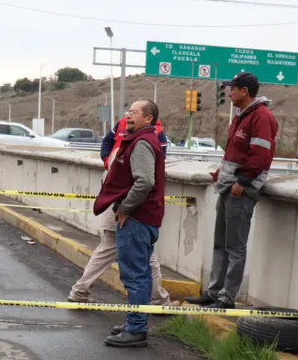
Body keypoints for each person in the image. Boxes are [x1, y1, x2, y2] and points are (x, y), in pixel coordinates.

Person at [189, 72, 278, 310]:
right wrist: (221, 175)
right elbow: (235, 155)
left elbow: (260, 155)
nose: (229, 93)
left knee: (235, 247)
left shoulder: (261, 117)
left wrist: (243, 182)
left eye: (233, 89)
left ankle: (227, 297)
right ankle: (214, 291)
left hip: (241, 191)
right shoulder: (241, 117)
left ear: (244, 92)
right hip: (227, 187)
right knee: (220, 243)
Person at [68, 115, 171, 306]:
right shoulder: (146, 137)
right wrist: (124, 209)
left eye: (134, 112)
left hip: (118, 203)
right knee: (143, 258)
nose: (129, 116)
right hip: (129, 209)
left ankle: (81, 290)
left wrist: (108, 162)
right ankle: (157, 302)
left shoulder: (130, 139)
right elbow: (149, 175)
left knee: (114, 251)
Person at [94, 99, 166, 348]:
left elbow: (144, 182)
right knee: (142, 274)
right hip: (143, 218)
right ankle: (137, 322)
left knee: (134, 275)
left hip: (136, 219)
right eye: (128, 112)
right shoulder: (142, 139)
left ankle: (136, 330)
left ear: (148, 119)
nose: (128, 116)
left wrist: (124, 209)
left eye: (134, 112)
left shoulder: (142, 143)